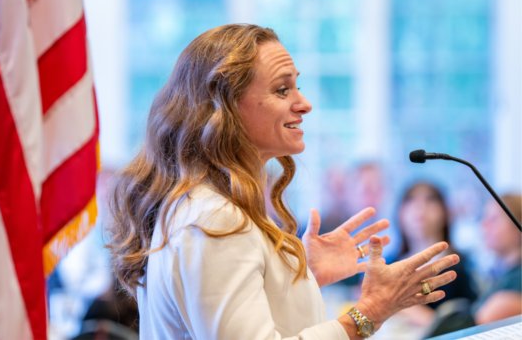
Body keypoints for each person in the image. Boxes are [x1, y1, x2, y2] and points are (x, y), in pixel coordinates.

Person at [108, 24, 460, 339]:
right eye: (281, 90)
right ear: (225, 107)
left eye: (297, 87)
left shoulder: (205, 206)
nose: (304, 104)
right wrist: (370, 312)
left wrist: (297, 276)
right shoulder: (214, 219)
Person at [389, 181, 478, 332]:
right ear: (400, 213)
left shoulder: (458, 267)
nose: (420, 208)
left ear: (445, 212)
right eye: (411, 200)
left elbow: (464, 325)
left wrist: (399, 306)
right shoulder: (389, 262)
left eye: (430, 200)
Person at [473, 193, 522, 324]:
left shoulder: (517, 281)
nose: (484, 225)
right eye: (485, 218)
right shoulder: (501, 275)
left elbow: (476, 323)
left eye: (494, 219)